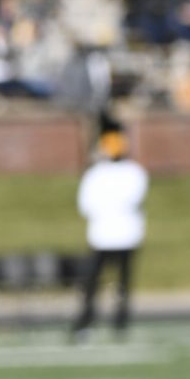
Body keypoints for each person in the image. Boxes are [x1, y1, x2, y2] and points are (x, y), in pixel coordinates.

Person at [71, 127, 148, 340]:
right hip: (104, 235)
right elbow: (86, 204)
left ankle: (118, 322)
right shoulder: (98, 173)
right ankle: (90, 321)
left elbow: (130, 199)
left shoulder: (131, 172)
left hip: (122, 235)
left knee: (118, 283)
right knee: (97, 282)